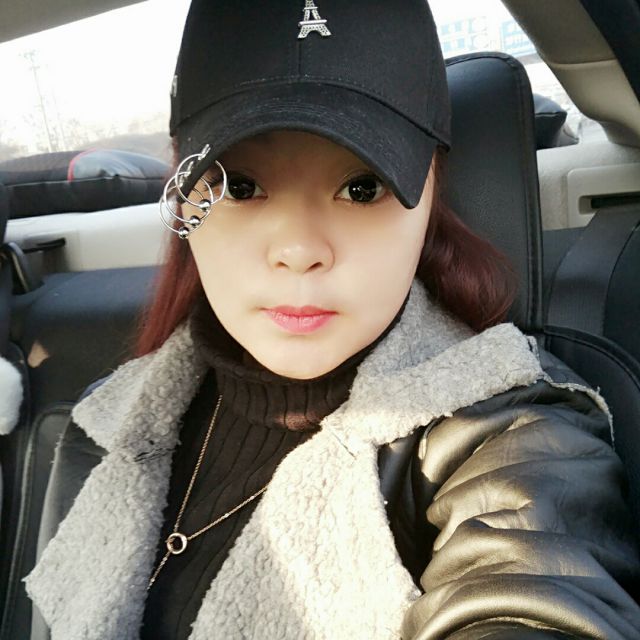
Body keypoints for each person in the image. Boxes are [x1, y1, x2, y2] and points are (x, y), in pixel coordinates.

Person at [24, 1, 640, 639]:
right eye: (241, 186)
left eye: (362, 187)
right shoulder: (108, 422)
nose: (298, 249)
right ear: (185, 191)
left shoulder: (504, 436)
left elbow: (533, 597)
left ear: (432, 191)